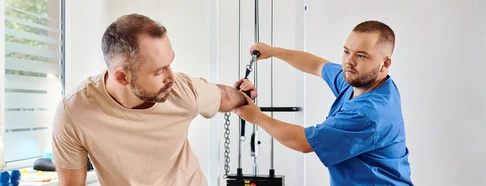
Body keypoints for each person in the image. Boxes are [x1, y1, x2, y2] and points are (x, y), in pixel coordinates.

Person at [51, 14, 257, 186]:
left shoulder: (182, 90)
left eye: (169, 63)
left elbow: (225, 97)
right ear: (122, 77)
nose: (171, 77)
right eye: (159, 71)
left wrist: (244, 95)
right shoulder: (74, 111)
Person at [233, 20, 414, 185]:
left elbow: (303, 142)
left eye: (361, 55)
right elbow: (317, 65)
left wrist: (256, 116)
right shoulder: (361, 81)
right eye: (346, 51)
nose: (348, 62)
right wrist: (273, 51)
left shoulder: (369, 113)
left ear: (385, 63)